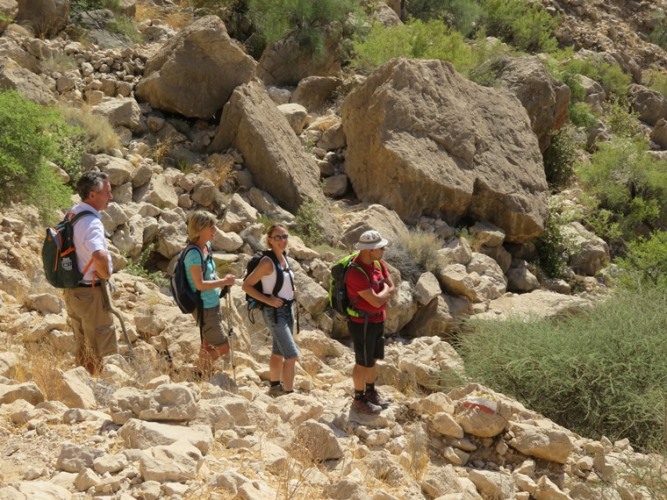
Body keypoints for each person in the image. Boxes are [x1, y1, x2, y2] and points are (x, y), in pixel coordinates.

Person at [63, 171, 117, 376]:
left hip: (72, 289)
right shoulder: (92, 222)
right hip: (90, 293)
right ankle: (92, 387)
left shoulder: (74, 212)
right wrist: (106, 276)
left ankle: (79, 383)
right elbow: (99, 255)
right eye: (107, 193)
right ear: (92, 195)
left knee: (82, 343)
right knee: (96, 347)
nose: (111, 197)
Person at [242, 223, 299, 397]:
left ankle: (274, 387)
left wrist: (292, 291)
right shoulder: (267, 262)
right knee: (292, 355)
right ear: (269, 240)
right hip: (274, 313)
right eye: (278, 237)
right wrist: (268, 300)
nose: (283, 240)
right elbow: (246, 286)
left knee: (278, 352)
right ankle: (289, 394)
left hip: (287, 309)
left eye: (285, 236)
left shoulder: (284, 257)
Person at [345, 230, 396, 415]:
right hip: (361, 323)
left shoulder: (378, 263)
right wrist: (385, 293)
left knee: (372, 359)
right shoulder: (355, 273)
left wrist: (383, 293)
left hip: (377, 319)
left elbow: (392, 286)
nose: (384, 249)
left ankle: (371, 391)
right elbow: (376, 300)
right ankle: (359, 398)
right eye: (381, 247)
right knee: (362, 362)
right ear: (369, 250)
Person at [184, 211, 236, 376]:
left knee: (206, 343)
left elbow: (210, 274)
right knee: (224, 346)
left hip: (211, 303)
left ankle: (199, 375)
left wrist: (221, 281)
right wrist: (224, 283)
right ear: (199, 229)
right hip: (204, 307)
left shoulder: (206, 247)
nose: (215, 229)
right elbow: (199, 284)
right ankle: (199, 370)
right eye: (211, 227)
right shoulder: (193, 254)